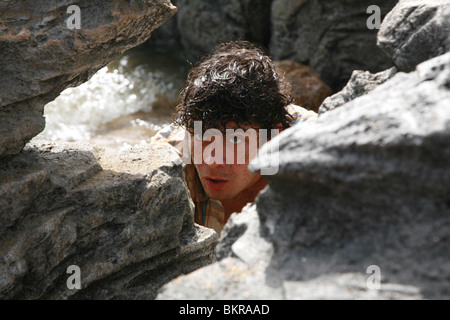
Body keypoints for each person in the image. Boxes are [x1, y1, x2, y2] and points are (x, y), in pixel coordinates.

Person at [151, 41, 317, 235]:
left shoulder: (313, 156)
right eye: (203, 135)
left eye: (235, 140)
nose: (213, 161)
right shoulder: (167, 160)